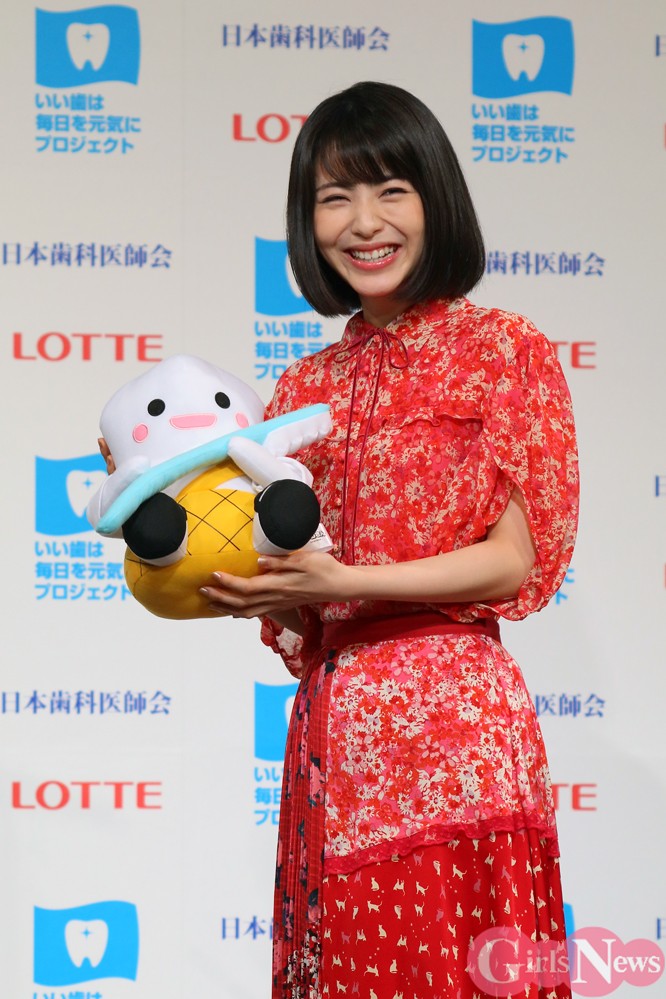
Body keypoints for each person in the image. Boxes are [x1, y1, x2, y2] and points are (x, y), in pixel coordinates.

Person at [202, 81, 578, 999]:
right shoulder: (303, 387)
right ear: (308, 221)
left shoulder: (505, 350)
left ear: (435, 198)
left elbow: (516, 559)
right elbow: (286, 582)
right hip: (337, 738)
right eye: (335, 197)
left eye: (391, 190)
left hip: (457, 730)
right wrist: (165, 489)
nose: (364, 222)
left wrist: (346, 578)